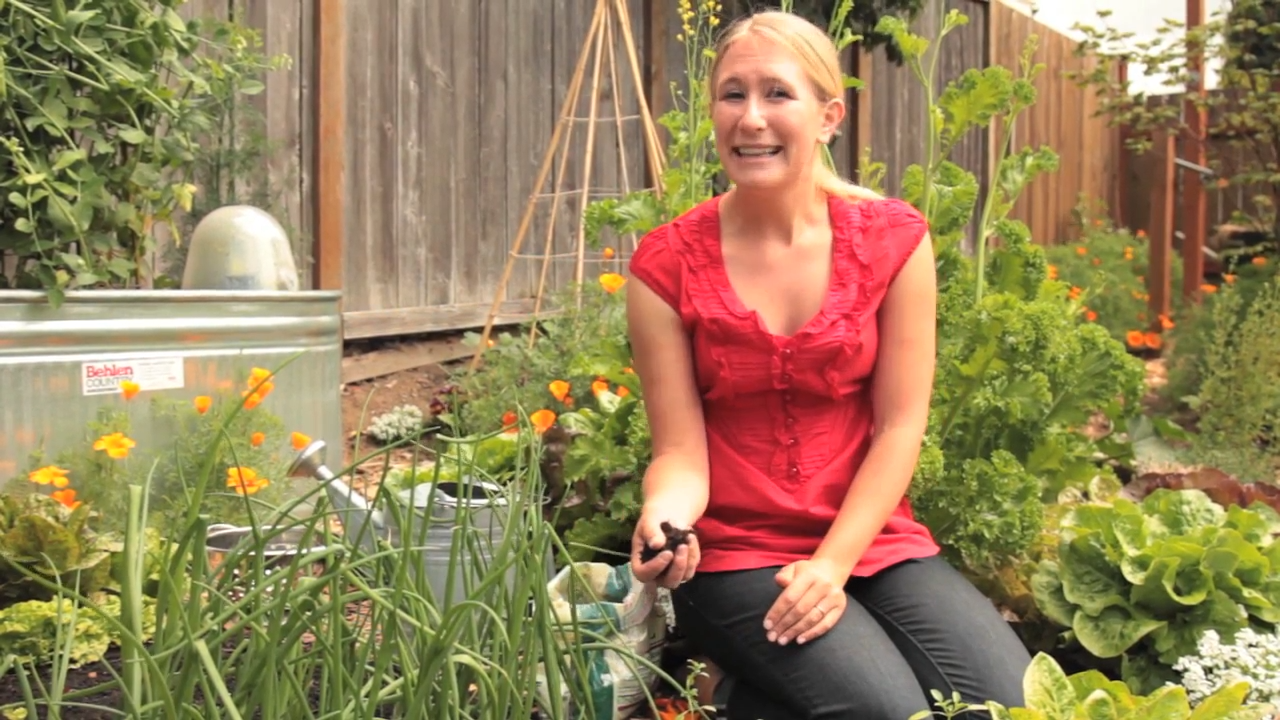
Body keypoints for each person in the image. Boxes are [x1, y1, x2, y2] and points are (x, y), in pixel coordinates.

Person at [624, 9, 1032, 720]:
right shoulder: (665, 264)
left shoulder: (893, 241)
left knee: (1008, 704)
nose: (750, 119)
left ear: (828, 116)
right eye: (732, 94)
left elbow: (900, 426)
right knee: (886, 714)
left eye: (777, 94)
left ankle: (749, 698)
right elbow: (681, 452)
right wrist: (665, 519)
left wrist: (832, 565)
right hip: (736, 555)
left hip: (870, 540)